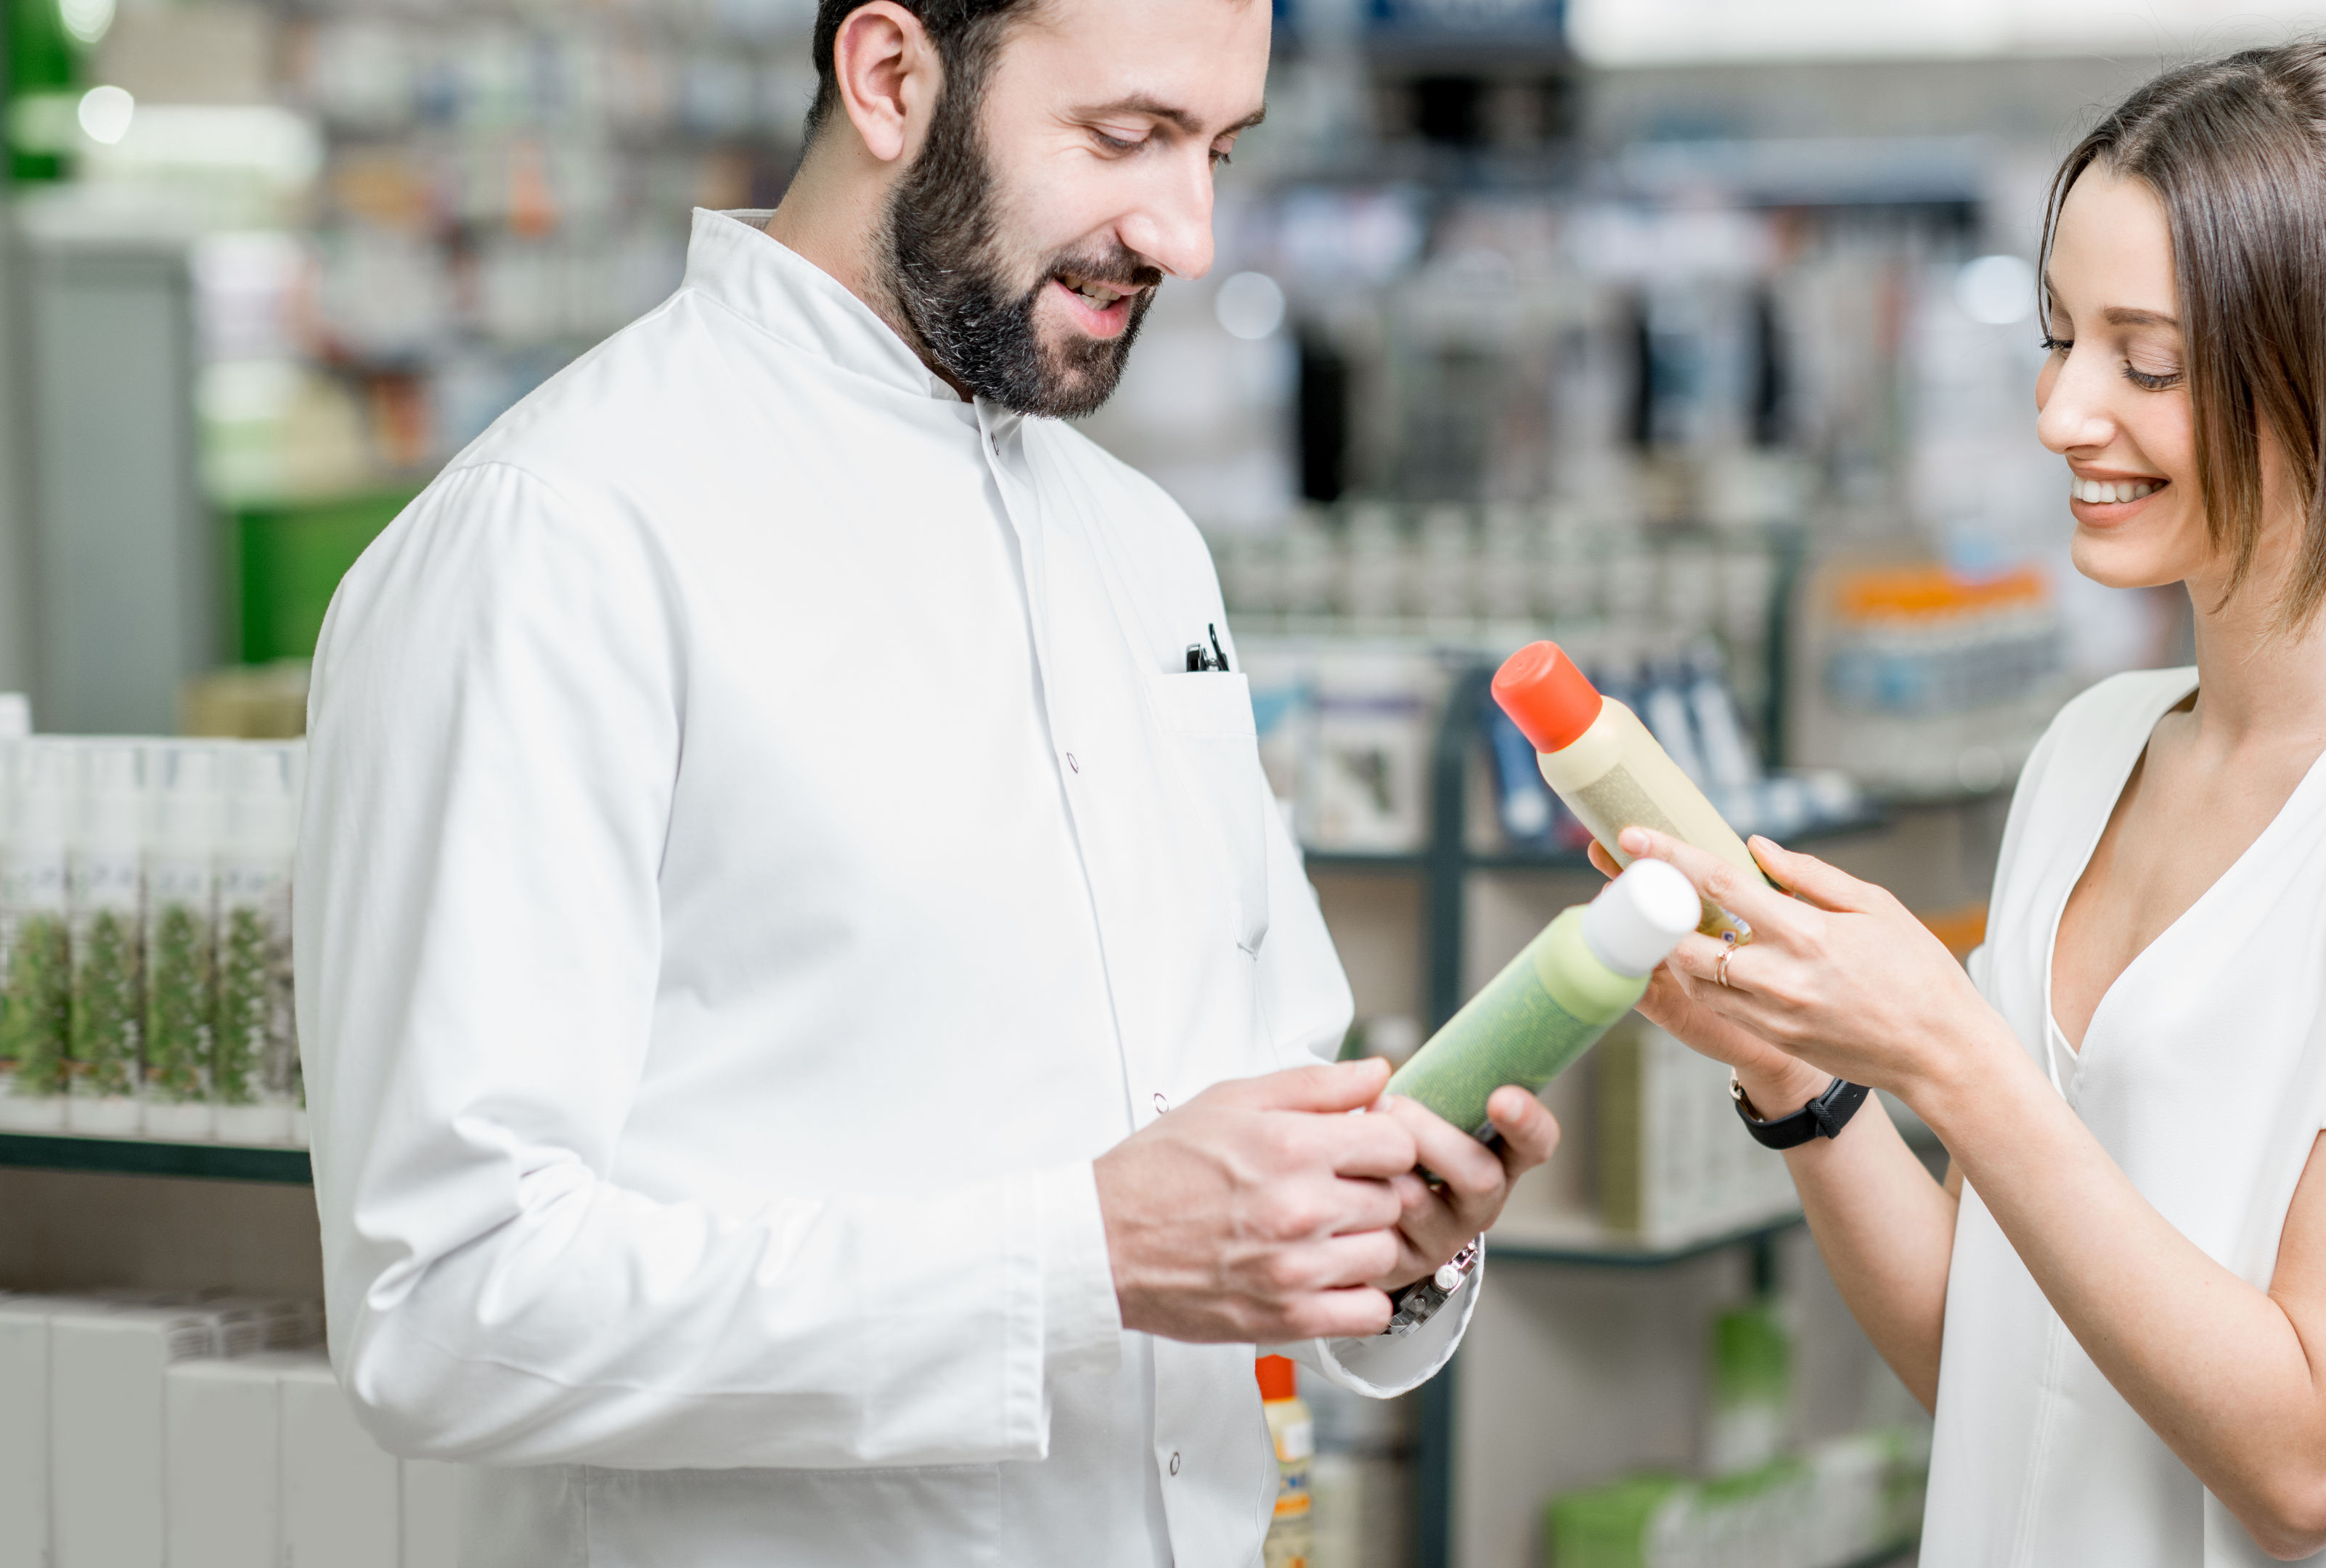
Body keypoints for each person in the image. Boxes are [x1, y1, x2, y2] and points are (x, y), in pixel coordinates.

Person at [293, 1, 1560, 1564]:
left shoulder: (1140, 545)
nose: (1189, 233)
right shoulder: (558, 544)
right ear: (890, 77)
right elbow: (451, 1312)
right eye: (1127, 138)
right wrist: (1082, 1258)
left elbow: (1248, 1090)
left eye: (1220, 150)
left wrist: (1379, 1228)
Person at [1608, 42, 2326, 1565]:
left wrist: (1948, 1048)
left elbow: (2312, 1456)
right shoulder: (2093, 750)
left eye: (2149, 362)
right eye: (2062, 336)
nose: (2065, 411)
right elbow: (2000, 1364)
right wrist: (1796, 1079)